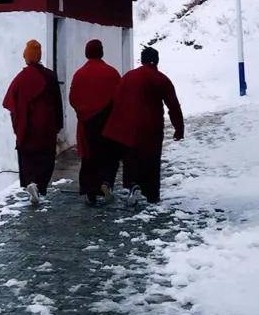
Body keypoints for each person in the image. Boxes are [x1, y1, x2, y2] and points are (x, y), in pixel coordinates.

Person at [103, 45, 184, 205]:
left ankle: (132, 186)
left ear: (142, 60)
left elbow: (115, 97)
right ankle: (151, 195)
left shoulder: (128, 76)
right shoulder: (161, 79)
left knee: (130, 158)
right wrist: (179, 128)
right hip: (150, 128)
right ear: (156, 61)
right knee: (151, 160)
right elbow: (173, 106)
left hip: (124, 126)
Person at [2, 39, 64, 207]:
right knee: (46, 157)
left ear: (27, 56)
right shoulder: (50, 76)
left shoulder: (21, 78)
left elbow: (9, 101)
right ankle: (40, 186)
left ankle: (30, 182)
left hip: (27, 126)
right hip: (46, 126)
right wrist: (59, 123)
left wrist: (18, 121)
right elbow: (58, 101)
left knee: (27, 156)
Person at [69, 39, 121, 206]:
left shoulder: (79, 74)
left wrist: (82, 112)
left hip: (86, 123)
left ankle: (90, 193)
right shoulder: (112, 73)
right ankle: (106, 183)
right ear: (101, 52)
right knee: (109, 156)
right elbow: (119, 97)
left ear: (86, 53)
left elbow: (72, 98)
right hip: (107, 122)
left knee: (89, 158)